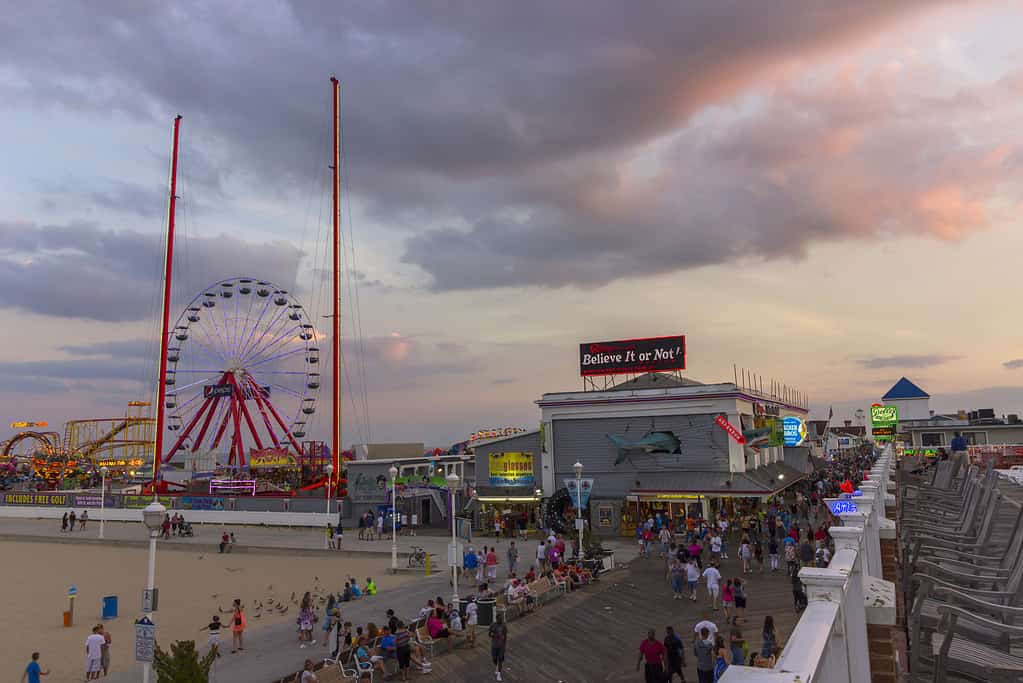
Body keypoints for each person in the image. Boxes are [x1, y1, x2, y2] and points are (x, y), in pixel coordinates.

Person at [488, 612, 508, 681]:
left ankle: (499, 674)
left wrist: (504, 644)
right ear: (496, 619)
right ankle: (496, 666)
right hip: (494, 645)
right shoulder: (492, 625)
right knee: (494, 659)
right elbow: (489, 634)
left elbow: (505, 635)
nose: (501, 620)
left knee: (500, 659)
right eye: (500, 619)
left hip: (501, 646)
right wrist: (493, 635)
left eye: (502, 619)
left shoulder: (504, 626)